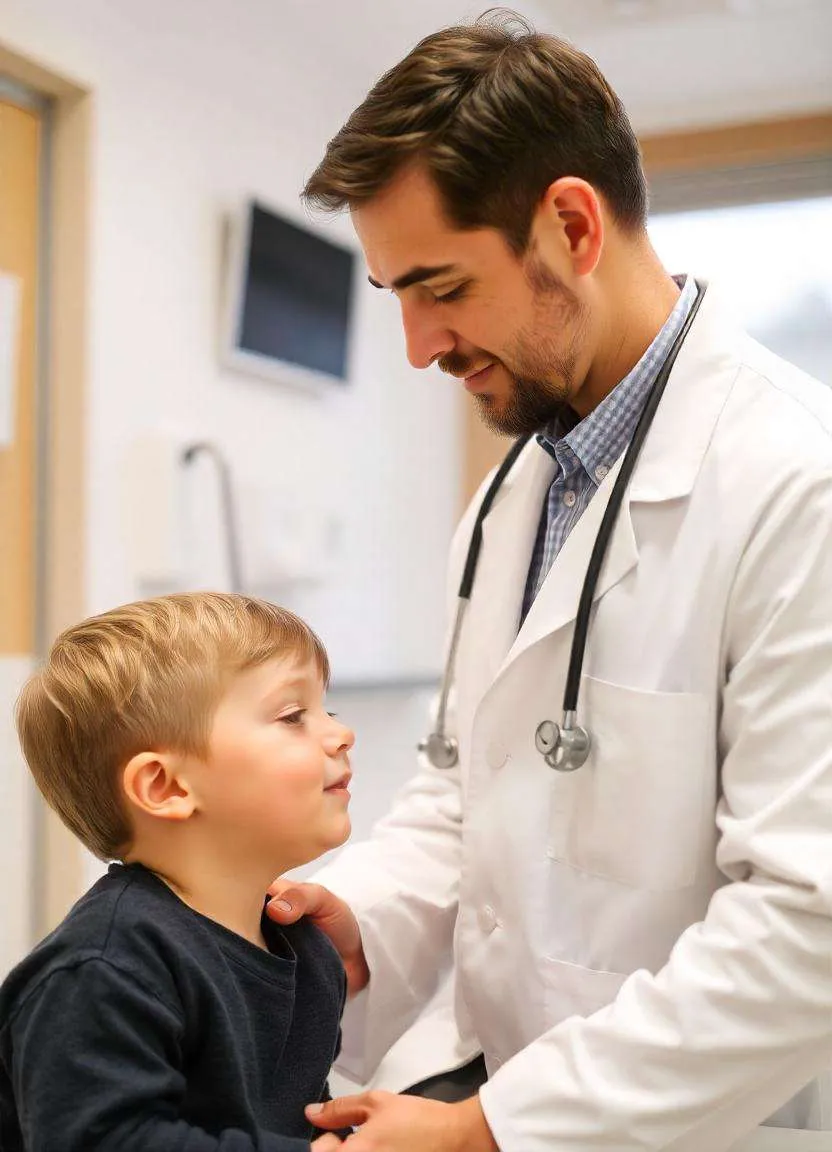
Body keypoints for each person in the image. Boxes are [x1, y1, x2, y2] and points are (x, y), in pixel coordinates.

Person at [265, 9, 832, 1152]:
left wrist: (488, 1131)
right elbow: (465, 794)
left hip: (714, 1123)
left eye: (442, 288)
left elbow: (806, 919)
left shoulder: (795, 483)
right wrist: (357, 920)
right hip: (499, 1078)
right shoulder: (508, 501)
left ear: (571, 223)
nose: (420, 346)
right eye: (398, 300)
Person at [0, 592, 355, 1152]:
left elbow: (308, 1119)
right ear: (165, 787)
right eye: (293, 716)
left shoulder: (306, 951)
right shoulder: (104, 970)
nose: (341, 733)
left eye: (326, 710)